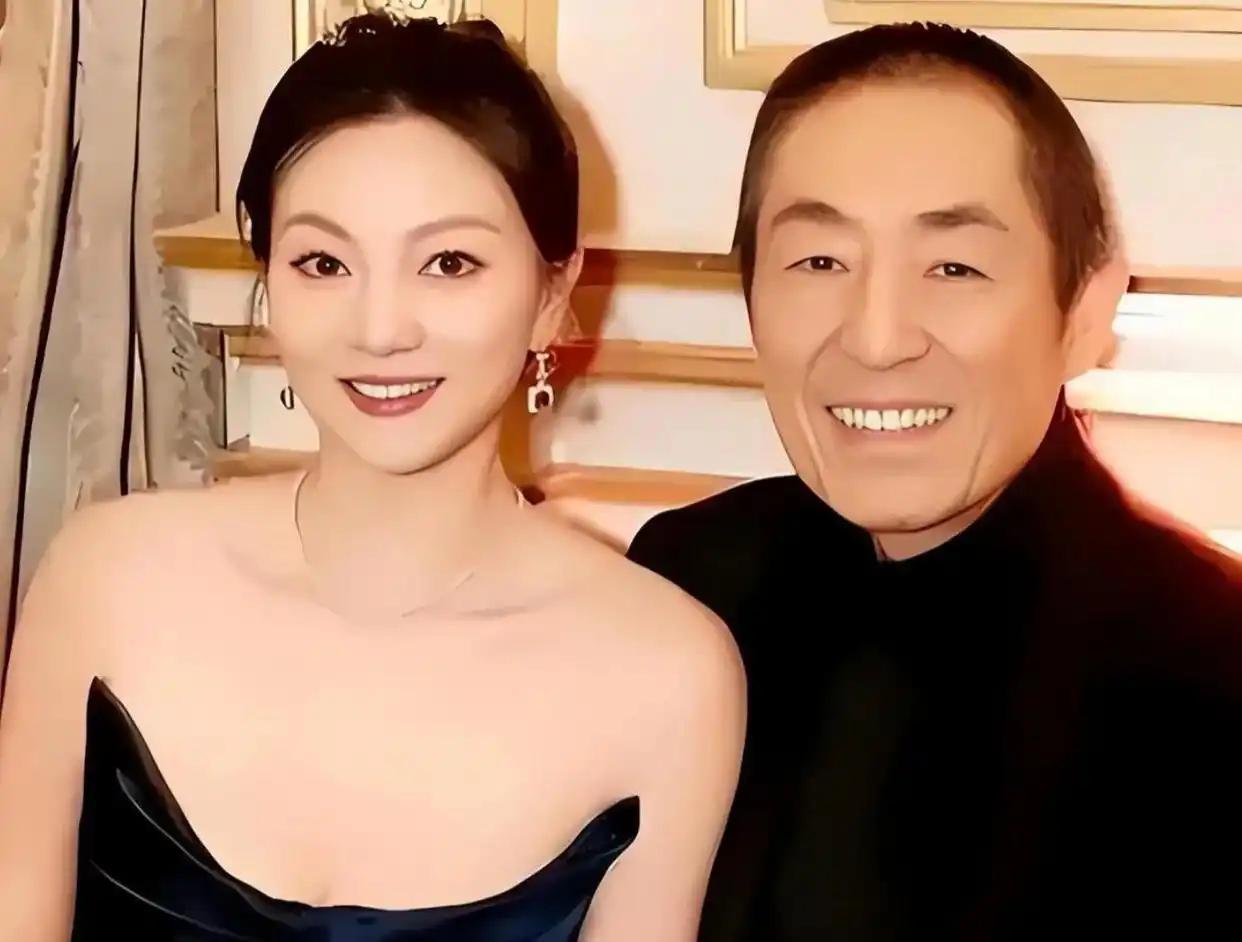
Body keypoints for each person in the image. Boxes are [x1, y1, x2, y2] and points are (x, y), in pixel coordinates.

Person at [0, 14, 744, 941]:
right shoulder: (105, 578)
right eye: (324, 262)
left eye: (449, 263)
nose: (380, 328)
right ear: (267, 279)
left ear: (552, 295)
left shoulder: (668, 676)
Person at [627, 22, 1242, 941]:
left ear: (1084, 314)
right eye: (820, 262)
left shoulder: (1209, 675)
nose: (878, 339)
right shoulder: (686, 581)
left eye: (954, 267)